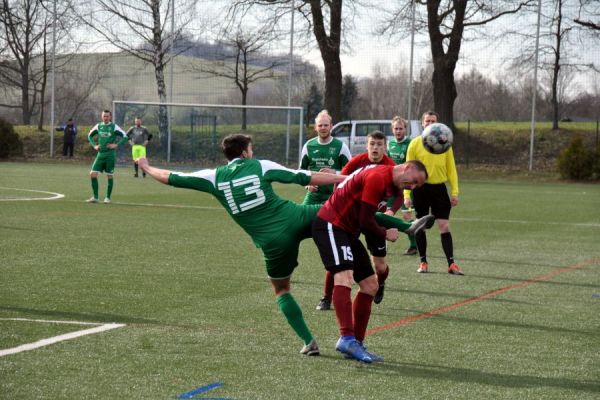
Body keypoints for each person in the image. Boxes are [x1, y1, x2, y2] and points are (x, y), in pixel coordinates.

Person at [138, 133, 348, 357]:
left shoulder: (214, 177)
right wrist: (342, 179)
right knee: (341, 211)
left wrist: (147, 167)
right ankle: (383, 222)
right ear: (244, 153)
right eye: (251, 149)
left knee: (282, 290)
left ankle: (309, 341)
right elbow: (303, 176)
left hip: (273, 243)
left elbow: (171, 177)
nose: (252, 152)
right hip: (296, 217)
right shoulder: (260, 166)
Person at [312, 161, 429, 363]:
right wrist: (386, 233)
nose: (413, 186)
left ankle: (356, 344)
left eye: (417, 186)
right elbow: (367, 220)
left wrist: (400, 226)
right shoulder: (378, 177)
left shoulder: (390, 184)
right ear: (407, 167)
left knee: (370, 285)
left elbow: (368, 216)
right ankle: (346, 338)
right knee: (344, 277)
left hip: (347, 230)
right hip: (331, 224)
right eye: (415, 181)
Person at [315, 130, 422, 310]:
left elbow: (398, 195)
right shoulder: (356, 162)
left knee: (379, 266)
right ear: (367, 145)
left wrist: (390, 210)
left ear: (385, 147)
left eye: (379, 145)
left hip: (375, 219)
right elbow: (340, 181)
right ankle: (326, 297)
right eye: (372, 144)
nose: (375, 148)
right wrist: (336, 200)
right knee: (339, 258)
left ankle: (380, 283)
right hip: (354, 218)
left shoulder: (392, 167)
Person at [404, 111, 463, 275]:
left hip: (439, 189)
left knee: (444, 225)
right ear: (422, 123)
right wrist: (407, 195)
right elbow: (407, 171)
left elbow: (451, 170)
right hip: (420, 190)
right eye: (427, 121)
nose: (430, 123)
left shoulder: (444, 144)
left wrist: (455, 192)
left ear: (438, 124)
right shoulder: (414, 144)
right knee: (420, 226)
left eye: (433, 121)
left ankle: (451, 264)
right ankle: (423, 262)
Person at [299, 109, 352, 205]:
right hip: (314, 195)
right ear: (315, 127)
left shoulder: (341, 146)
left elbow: (352, 172)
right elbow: (301, 171)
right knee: (301, 217)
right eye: (320, 125)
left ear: (331, 126)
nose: (323, 128)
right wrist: (307, 185)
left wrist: (335, 172)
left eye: (326, 125)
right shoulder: (308, 146)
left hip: (335, 195)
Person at [387, 116, 418, 256]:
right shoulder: (389, 144)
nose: (398, 131)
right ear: (392, 129)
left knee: (406, 216)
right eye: (395, 128)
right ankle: (382, 244)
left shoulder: (410, 144)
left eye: (400, 128)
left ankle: (413, 245)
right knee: (386, 214)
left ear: (405, 129)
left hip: (405, 187)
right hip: (391, 186)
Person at [86, 110, 128, 204]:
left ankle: (107, 198)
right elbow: (89, 136)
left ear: (110, 117)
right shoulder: (98, 126)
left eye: (107, 116)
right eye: (104, 116)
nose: (106, 118)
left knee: (109, 175)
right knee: (92, 174)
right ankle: (95, 197)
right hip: (100, 154)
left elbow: (125, 136)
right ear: (102, 117)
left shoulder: (114, 127)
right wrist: (94, 145)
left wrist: (116, 145)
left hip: (110, 155)